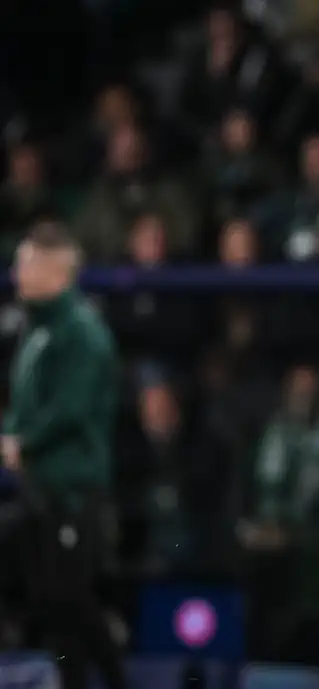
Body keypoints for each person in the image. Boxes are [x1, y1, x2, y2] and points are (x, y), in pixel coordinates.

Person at [2, 222, 124, 689]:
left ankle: (115, 681)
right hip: (41, 486)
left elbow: (70, 409)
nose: (17, 274)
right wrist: (13, 435)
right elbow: (26, 402)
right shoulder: (38, 331)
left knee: (71, 600)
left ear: (58, 273)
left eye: (27, 263)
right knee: (55, 603)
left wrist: (23, 442)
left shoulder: (83, 335)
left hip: (74, 490)